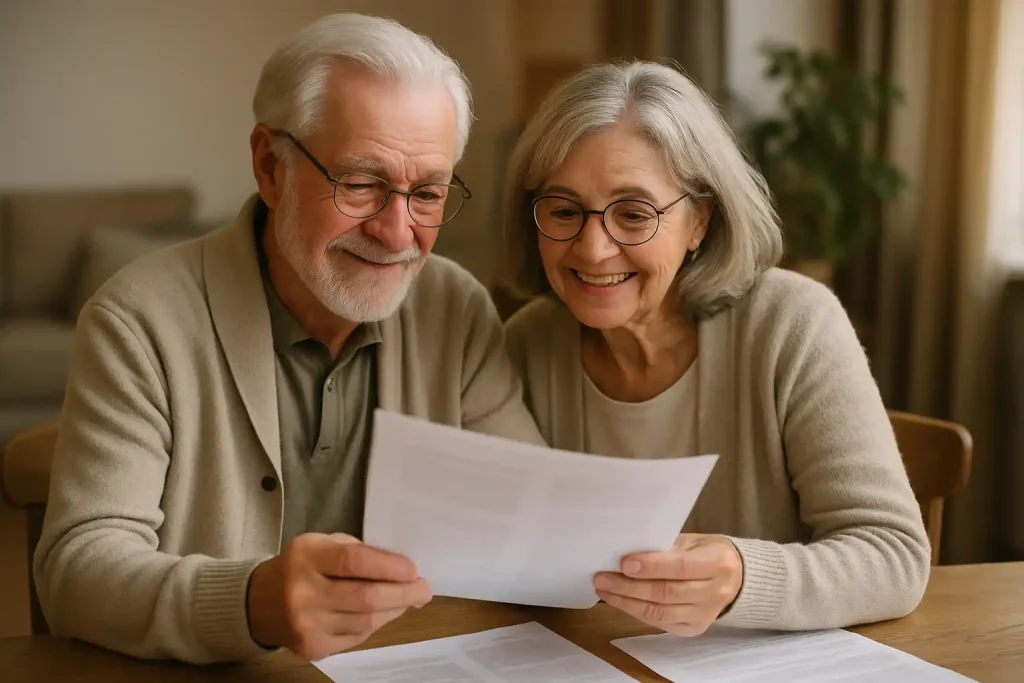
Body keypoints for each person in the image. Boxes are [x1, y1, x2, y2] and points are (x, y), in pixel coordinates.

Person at [33, 12, 543, 665]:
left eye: (427, 193)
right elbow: (76, 572)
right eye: (360, 183)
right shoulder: (138, 319)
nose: (396, 232)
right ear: (270, 167)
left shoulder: (456, 308)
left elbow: (530, 510)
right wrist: (253, 602)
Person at [502, 61, 931, 637]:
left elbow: (894, 556)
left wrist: (742, 578)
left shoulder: (793, 323)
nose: (593, 247)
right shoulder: (523, 344)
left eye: (634, 214)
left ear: (699, 222)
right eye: (563, 209)